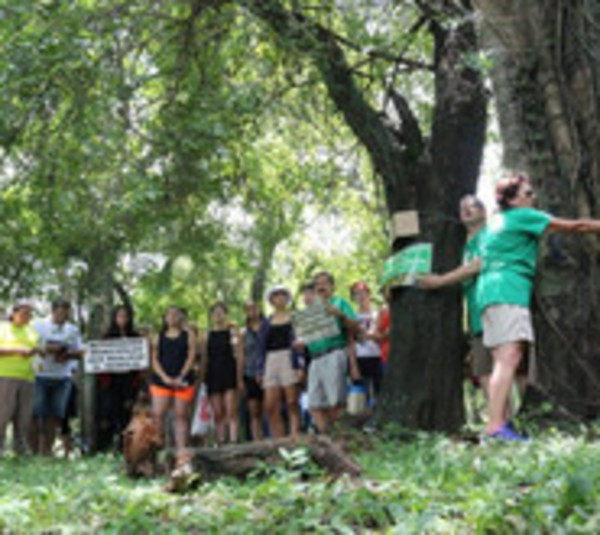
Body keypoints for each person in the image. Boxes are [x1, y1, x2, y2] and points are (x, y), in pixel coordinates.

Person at [424, 172, 600, 440]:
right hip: (507, 290)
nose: (533, 198)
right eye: (528, 194)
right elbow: (575, 227)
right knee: (509, 357)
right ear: (512, 200)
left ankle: (499, 423)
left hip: (488, 293)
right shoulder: (522, 216)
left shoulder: (496, 223)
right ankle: (496, 426)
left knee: (501, 360)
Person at [420, 195, 494, 400]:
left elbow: (478, 264)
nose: (467, 209)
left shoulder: (491, 233)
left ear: (484, 212)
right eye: (462, 208)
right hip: (476, 316)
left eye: (474, 206)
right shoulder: (461, 246)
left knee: (507, 366)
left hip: (495, 307)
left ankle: (516, 419)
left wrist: (440, 281)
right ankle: (499, 425)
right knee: (484, 369)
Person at [301, 271, 361, 433]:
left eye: (324, 283)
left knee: (335, 402)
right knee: (314, 404)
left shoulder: (339, 302)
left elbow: (355, 328)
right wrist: (301, 343)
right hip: (315, 359)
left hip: (334, 353)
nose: (320, 286)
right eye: (317, 284)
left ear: (332, 286)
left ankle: (341, 437)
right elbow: (308, 339)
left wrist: (340, 315)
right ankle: (327, 439)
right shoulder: (310, 310)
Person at [31, 299, 84, 455]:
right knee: (35, 414)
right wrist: (47, 348)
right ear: (53, 311)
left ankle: (47, 451)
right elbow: (30, 346)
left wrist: (67, 354)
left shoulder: (72, 330)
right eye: (60, 313)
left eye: (66, 313)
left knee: (54, 416)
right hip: (39, 375)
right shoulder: (38, 326)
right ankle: (34, 451)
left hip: (62, 377)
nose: (63, 316)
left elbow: (81, 351)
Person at [150, 306, 196, 465]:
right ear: (165, 317)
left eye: (176, 314)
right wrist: (165, 377)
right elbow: (154, 359)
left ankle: (181, 453)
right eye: (169, 314)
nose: (172, 317)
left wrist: (181, 376)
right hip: (161, 381)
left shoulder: (188, 335)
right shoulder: (158, 336)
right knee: (158, 415)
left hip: (183, 380)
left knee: (181, 416)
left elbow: (191, 356)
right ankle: (159, 451)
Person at [257, 286, 304, 439]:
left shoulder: (295, 317)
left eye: (283, 295)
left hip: (289, 357)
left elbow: (300, 342)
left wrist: (300, 365)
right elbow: (261, 347)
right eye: (276, 296)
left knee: (291, 401)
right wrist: (260, 370)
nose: (279, 298)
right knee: (270, 405)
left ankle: (295, 437)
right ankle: (278, 439)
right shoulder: (266, 322)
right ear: (271, 300)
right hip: (270, 360)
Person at [97, 305, 142, 451]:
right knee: (109, 414)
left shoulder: (136, 337)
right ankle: (107, 446)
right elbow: (99, 361)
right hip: (111, 383)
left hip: (129, 382)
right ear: (114, 318)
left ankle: (126, 447)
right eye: (119, 316)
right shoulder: (106, 338)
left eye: (125, 316)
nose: (122, 319)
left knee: (127, 414)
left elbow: (141, 361)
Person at [0, 301, 41, 454]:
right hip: (5, 376)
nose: (27, 317)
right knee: (3, 414)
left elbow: (35, 348)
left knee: (24, 415)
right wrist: (16, 351)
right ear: (13, 313)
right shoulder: (2, 328)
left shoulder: (31, 331)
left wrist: (38, 351)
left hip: (27, 377)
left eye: (29, 314)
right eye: (24, 313)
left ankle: (21, 448)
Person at [202, 302, 240, 443]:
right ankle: (221, 441)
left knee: (231, 410)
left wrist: (239, 377)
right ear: (211, 316)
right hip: (213, 374)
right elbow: (204, 357)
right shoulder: (207, 334)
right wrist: (202, 377)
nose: (218, 314)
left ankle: (234, 440)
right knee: (218, 412)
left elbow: (239, 355)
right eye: (215, 312)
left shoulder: (233, 331)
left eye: (221, 311)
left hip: (229, 372)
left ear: (226, 314)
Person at [350, 281, 383, 406]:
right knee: (362, 395)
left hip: (377, 356)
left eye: (363, 292)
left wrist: (371, 335)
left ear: (369, 294)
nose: (361, 296)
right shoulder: (352, 316)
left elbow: (383, 336)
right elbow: (350, 341)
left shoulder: (378, 313)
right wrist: (353, 365)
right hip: (360, 357)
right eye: (356, 294)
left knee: (379, 391)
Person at [238, 301, 266, 441]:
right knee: (254, 411)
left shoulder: (268, 326)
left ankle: (274, 441)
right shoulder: (243, 333)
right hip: (249, 373)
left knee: (270, 408)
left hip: (268, 372)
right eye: (248, 309)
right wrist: (240, 379)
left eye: (254, 307)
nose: (252, 310)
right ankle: (257, 442)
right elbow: (241, 356)